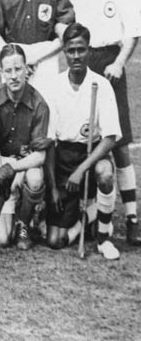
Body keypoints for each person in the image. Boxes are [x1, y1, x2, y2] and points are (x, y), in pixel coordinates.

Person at [66, 0, 141, 245]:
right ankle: (91, 211)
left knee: (120, 145)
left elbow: (132, 32)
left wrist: (120, 62)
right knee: (86, 138)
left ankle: (134, 217)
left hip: (111, 63)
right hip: (85, 63)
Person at [45, 23, 121, 260]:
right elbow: (49, 142)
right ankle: (87, 215)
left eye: (81, 49)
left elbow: (109, 138)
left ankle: (103, 237)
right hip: (63, 158)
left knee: (106, 174)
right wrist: (54, 187)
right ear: (64, 52)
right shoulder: (54, 86)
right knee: (55, 241)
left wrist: (81, 169)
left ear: (89, 50)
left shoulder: (102, 85)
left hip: (92, 155)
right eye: (71, 50)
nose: (76, 56)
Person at [0, 44, 50, 250]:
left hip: (25, 163)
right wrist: (0, 171)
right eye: (8, 70)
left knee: (35, 178)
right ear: (1, 73)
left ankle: (24, 220)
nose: (13, 76)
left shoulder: (39, 103)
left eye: (18, 69)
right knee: (2, 240)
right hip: (1, 163)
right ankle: (8, 205)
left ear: (27, 69)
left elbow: (40, 156)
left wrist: (13, 169)